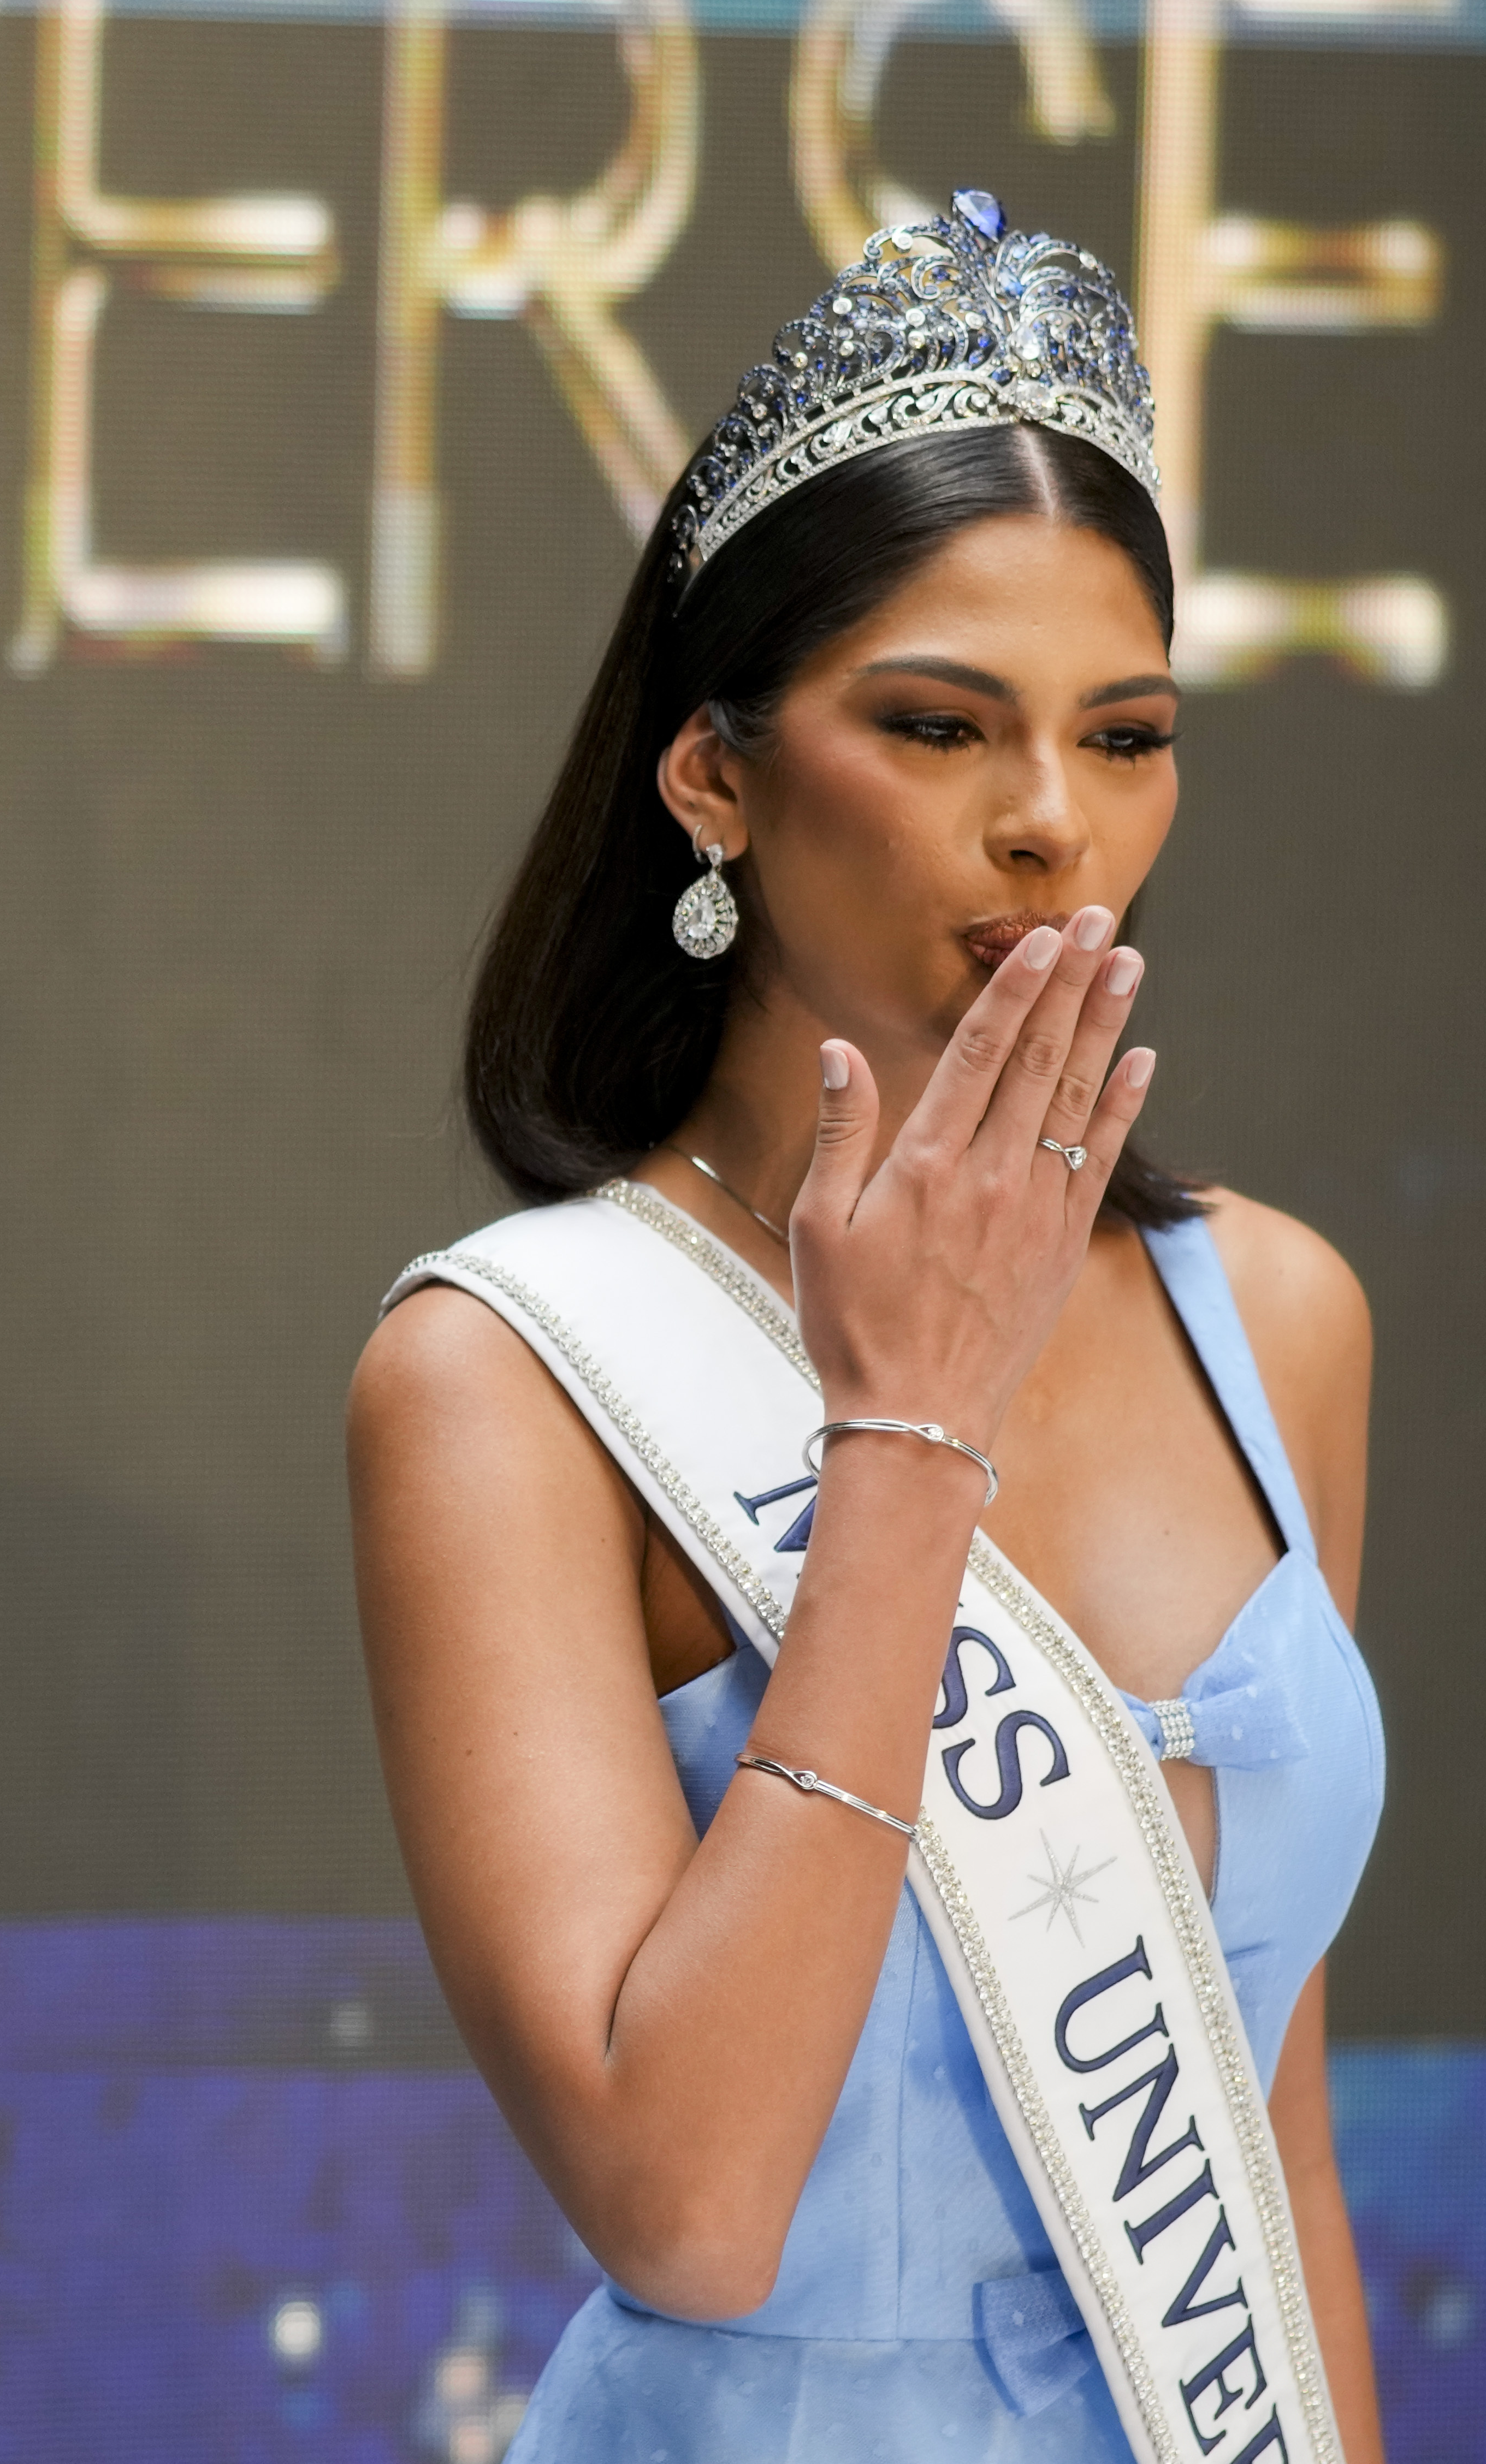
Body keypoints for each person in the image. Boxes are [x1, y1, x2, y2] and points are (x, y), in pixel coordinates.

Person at [351, 197, 1386, 2462]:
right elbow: (688, 2203)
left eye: (1123, 736)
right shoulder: (510, 1375)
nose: (1049, 826)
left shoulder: (1273, 1321)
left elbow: (1261, 2138)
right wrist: (902, 1443)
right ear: (712, 775)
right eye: (937, 726)